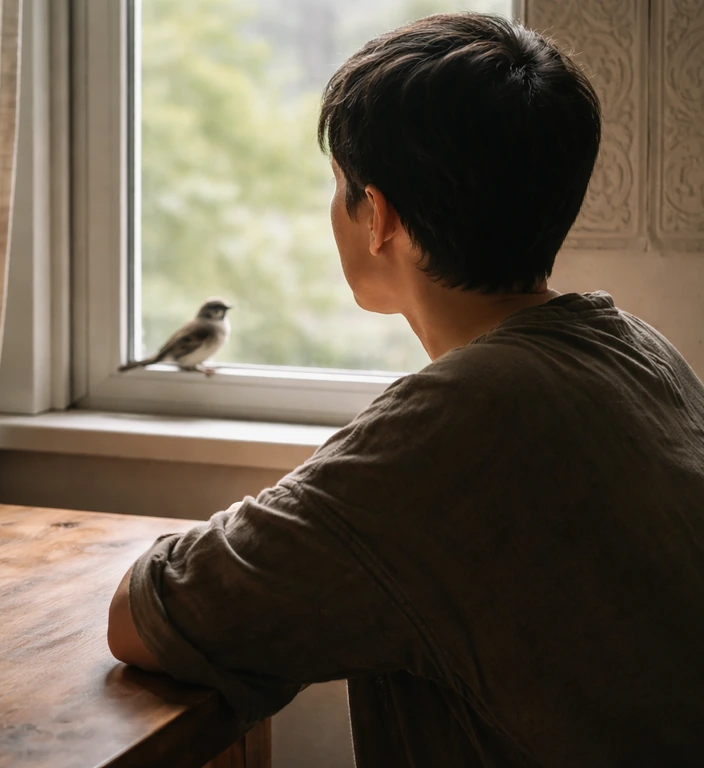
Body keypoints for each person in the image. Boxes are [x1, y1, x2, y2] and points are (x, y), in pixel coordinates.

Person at [107, 12, 704, 767]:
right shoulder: (638, 350)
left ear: (379, 217)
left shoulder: (459, 419)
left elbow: (145, 615)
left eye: (340, 187)